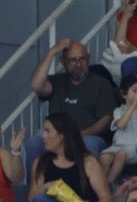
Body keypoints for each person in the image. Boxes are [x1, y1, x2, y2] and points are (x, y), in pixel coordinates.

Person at [27, 112, 113, 202]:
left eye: (47, 131)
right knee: (40, 199)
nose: (43, 136)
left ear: (62, 135)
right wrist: (45, 188)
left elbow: (107, 200)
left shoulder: (88, 161)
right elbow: (32, 200)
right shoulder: (40, 162)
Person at [27, 38, 115, 168]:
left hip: (88, 137)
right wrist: (52, 52)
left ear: (88, 59)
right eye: (73, 60)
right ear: (63, 62)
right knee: (34, 142)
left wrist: (79, 135)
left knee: (89, 144)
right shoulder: (57, 81)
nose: (78, 64)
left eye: (82, 59)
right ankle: (35, 187)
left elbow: (106, 119)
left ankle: (85, 188)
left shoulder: (101, 83)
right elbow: (36, 85)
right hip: (57, 136)